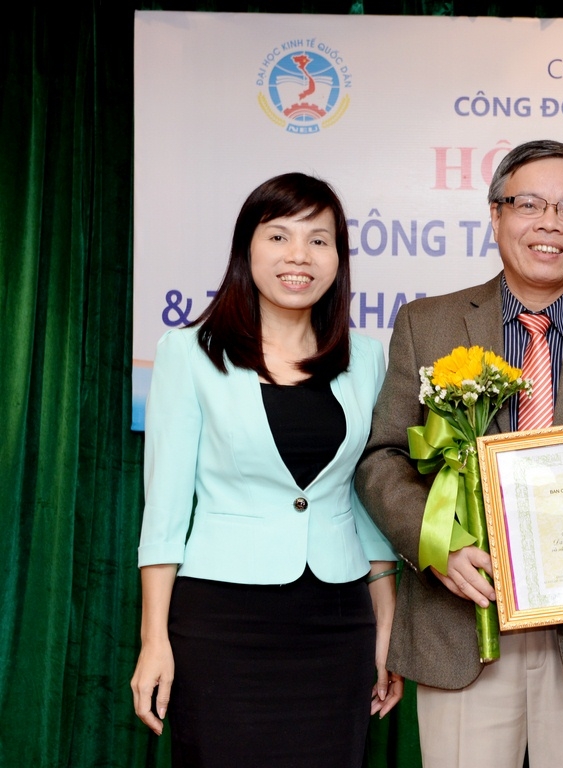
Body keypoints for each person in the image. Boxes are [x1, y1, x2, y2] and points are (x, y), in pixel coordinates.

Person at [357, 140, 563, 768]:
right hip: (462, 621)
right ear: (496, 214)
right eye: (529, 204)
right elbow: (383, 456)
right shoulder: (428, 324)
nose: (550, 224)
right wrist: (437, 544)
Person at [130, 173, 402, 766]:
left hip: (337, 622)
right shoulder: (187, 353)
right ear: (246, 250)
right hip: (222, 621)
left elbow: (366, 497)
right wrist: (154, 640)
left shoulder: (366, 358)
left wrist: (387, 625)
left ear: (339, 258)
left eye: (318, 240)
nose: (299, 255)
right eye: (279, 236)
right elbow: (165, 511)